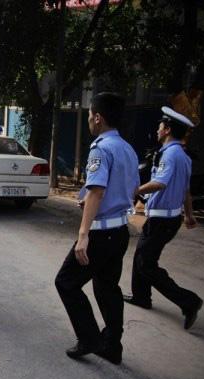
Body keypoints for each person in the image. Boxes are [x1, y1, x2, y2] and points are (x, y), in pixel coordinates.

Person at [54, 92, 139, 365]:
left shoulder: (100, 148)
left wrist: (83, 235)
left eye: (90, 114)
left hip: (101, 234)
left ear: (98, 118)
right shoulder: (127, 148)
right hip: (120, 231)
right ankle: (112, 345)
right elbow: (132, 190)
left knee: (66, 282)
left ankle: (89, 338)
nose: (89, 119)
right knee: (107, 288)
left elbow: (97, 192)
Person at [123, 107, 204, 330]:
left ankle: (188, 301)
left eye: (160, 127)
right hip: (168, 218)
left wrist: (133, 190)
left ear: (167, 129)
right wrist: (189, 215)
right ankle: (141, 296)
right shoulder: (183, 156)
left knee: (146, 264)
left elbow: (160, 182)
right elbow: (186, 190)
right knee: (142, 256)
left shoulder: (171, 154)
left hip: (162, 221)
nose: (157, 130)